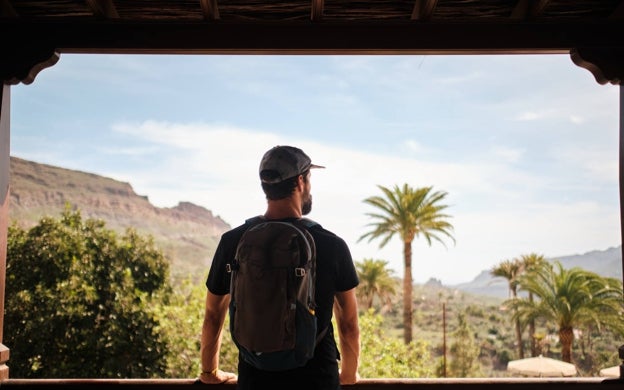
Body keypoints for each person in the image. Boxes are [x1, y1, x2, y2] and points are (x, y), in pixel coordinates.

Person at [198, 145, 360, 389]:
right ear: (300, 181)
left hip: (256, 379)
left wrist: (209, 372)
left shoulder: (233, 241)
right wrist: (348, 375)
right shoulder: (331, 245)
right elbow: (347, 324)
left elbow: (212, 315)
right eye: (310, 178)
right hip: (316, 380)